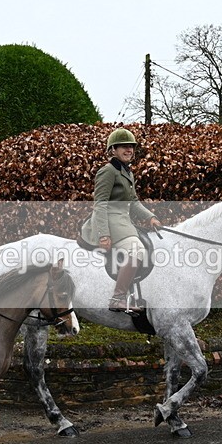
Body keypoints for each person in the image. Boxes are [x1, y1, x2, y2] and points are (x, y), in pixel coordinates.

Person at [81, 128, 161, 314]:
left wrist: (150, 217)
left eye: (131, 146)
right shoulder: (108, 171)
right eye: (124, 146)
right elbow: (100, 204)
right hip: (109, 221)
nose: (129, 150)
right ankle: (118, 298)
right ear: (113, 150)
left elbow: (133, 202)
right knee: (137, 250)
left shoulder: (127, 172)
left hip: (124, 222)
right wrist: (103, 234)